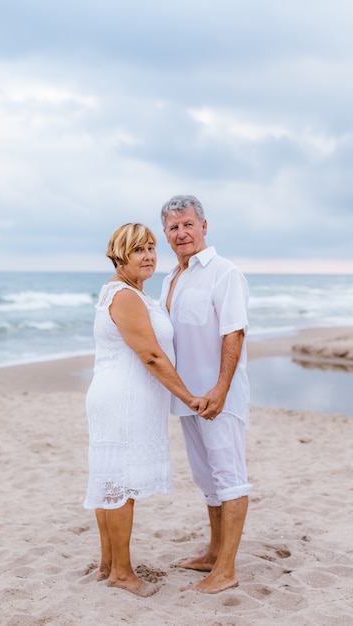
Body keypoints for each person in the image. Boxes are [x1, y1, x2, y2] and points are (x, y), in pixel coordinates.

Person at [84, 222, 207, 598]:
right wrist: (187, 397)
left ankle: (108, 564)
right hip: (124, 398)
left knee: (112, 479)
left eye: (152, 248)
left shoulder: (127, 291)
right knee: (121, 483)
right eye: (139, 249)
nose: (149, 256)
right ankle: (121, 573)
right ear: (119, 254)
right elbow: (151, 355)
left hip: (116, 393)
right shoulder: (125, 295)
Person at [160, 195, 252, 594]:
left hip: (220, 397)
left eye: (187, 224)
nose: (181, 233)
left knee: (230, 479)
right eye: (173, 227)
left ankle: (226, 570)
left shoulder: (224, 272)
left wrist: (220, 389)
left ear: (204, 226)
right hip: (187, 399)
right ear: (166, 234)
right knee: (207, 480)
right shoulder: (170, 279)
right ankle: (213, 554)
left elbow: (234, 332)